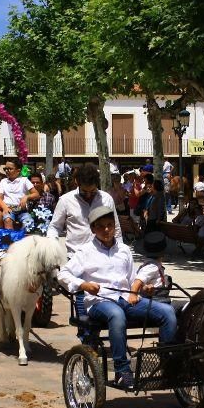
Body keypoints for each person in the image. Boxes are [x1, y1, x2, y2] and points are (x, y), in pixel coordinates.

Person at [58, 206, 177, 389]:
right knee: (116, 315)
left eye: (110, 225)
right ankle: (122, 369)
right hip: (99, 302)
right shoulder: (85, 252)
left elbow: (130, 280)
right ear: (93, 230)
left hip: (125, 298)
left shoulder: (124, 250)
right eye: (101, 227)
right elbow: (63, 274)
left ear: (114, 226)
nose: (106, 230)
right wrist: (84, 285)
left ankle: (168, 364)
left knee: (168, 312)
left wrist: (144, 288)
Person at [47, 163, 122, 256]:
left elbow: (116, 229)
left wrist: (120, 253)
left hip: (103, 256)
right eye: (84, 192)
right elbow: (54, 227)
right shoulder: (65, 200)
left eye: (92, 191)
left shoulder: (106, 199)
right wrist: (52, 245)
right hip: (75, 257)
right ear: (77, 184)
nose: (88, 195)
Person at [0, 159, 39, 228]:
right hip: (9, 208)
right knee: (7, 220)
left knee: (29, 222)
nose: (7, 171)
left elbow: (36, 194)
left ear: (18, 170)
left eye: (9, 169)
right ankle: (10, 238)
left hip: (22, 211)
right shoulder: (3, 181)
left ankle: (23, 238)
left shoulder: (24, 180)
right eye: (5, 169)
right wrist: (5, 208)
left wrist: (26, 197)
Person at [133, 231, 169, 301]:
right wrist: (133, 295)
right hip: (155, 298)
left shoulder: (155, 264)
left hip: (159, 296)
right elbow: (137, 281)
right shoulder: (151, 266)